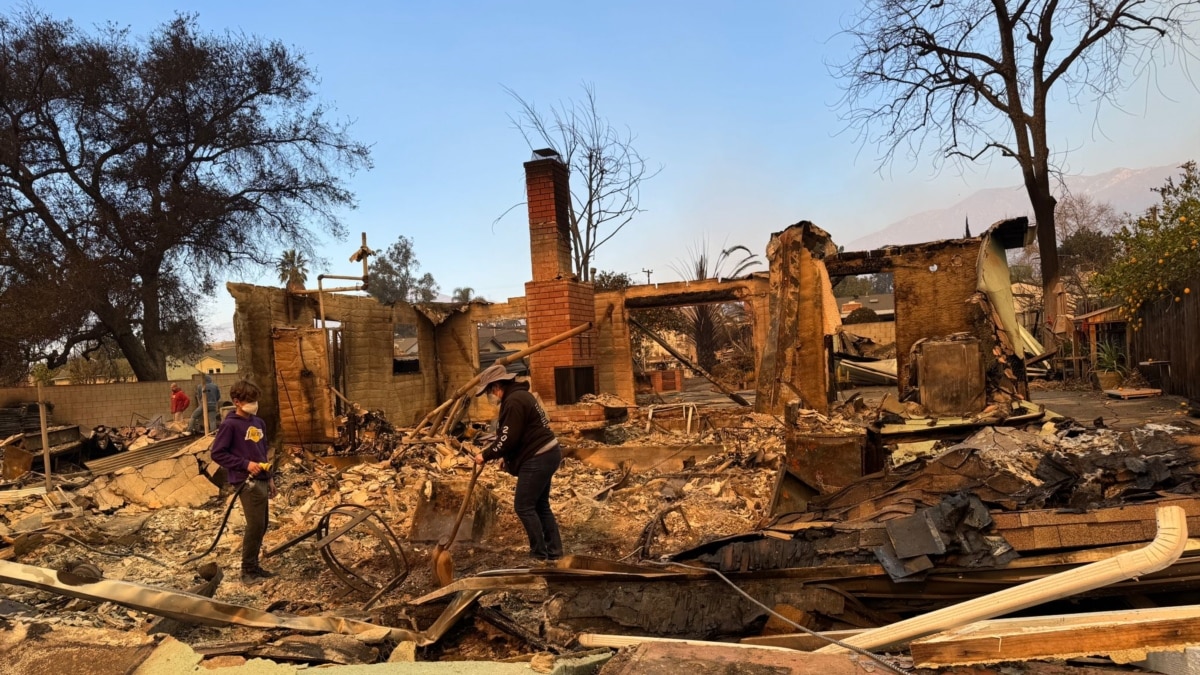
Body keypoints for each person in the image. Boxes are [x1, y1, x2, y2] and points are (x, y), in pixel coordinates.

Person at [472, 364, 563, 562]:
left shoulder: (513, 401)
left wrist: (485, 455)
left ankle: (539, 556)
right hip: (549, 452)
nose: (490, 396)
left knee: (523, 506)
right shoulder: (522, 396)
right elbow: (518, 435)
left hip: (539, 457)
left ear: (497, 386)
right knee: (540, 505)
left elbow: (507, 438)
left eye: (489, 391)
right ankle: (554, 553)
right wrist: (508, 457)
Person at [209, 380, 276, 581]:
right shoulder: (230, 425)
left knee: (262, 524)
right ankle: (248, 571)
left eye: (255, 400)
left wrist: (270, 478)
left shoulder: (258, 422)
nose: (254, 404)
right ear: (237, 402)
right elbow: (218, 454)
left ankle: (254, 566)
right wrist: (245, 464)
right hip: (245, 481)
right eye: (249, 401)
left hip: (262, 479)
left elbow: (262, 452)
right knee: (255, 525)